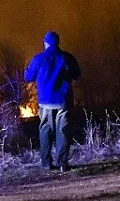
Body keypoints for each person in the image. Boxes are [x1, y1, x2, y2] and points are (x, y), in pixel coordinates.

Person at [23, 31, 81, 171]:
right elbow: (77, 74)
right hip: (63, 100)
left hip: (45, 101)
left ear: (45, 42)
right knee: (63, 130)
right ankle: (62, 163)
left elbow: (28, 77)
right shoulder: (67, 57)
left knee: (45, 130)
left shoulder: (38, 59)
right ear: (58, 42)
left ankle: (46, 163)